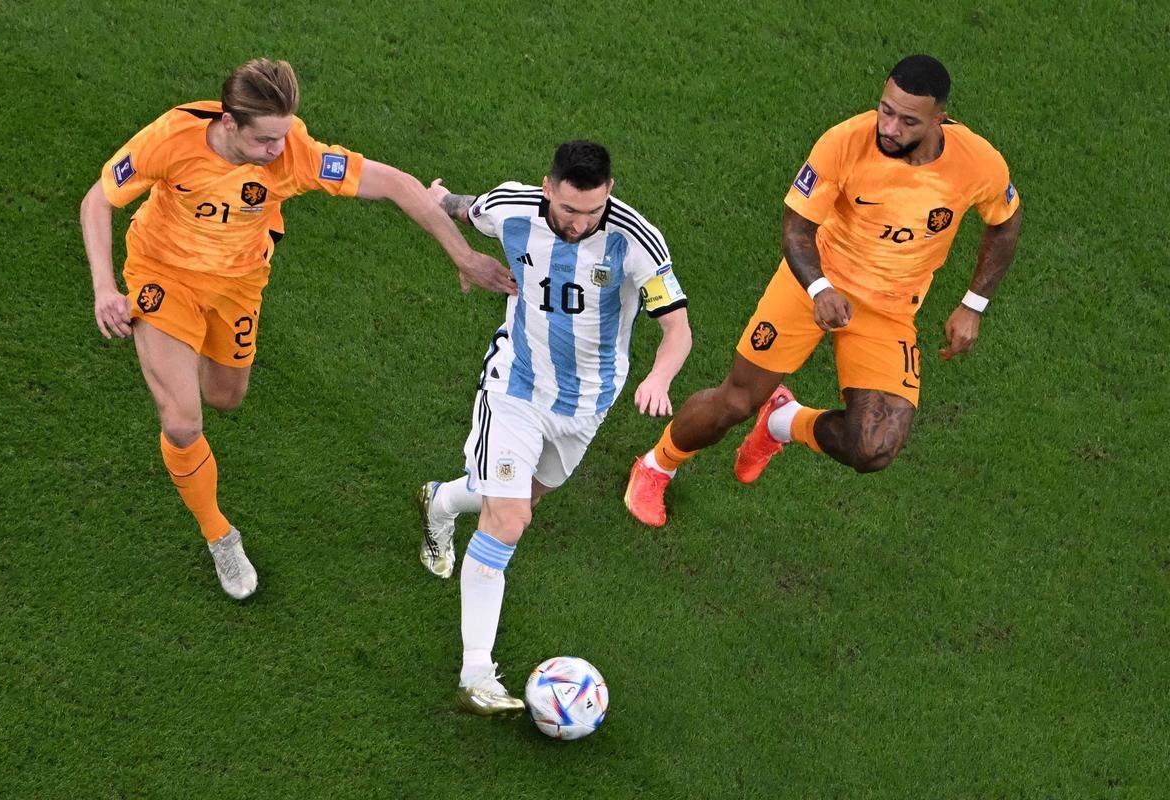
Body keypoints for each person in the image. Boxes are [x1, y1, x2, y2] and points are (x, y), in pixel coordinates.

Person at [80, 58, 515, 599]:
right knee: (184, 422)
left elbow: (399, 185)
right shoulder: (170, 139)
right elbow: (98, 200)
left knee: (225, 398)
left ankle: (179, 353)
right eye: (265, 140)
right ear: (228, 122)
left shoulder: (294, 153)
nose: (277, 151)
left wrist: (464, 256)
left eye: (284, 135)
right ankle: (220, 535)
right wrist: (104, 287)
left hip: (239, 286)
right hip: (163, 277)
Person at [624, 54, 1023, 527]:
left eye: (908, 120)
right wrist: (818, 288)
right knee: (734, 401)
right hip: (812, 283)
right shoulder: (845, 142)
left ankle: (781, 423)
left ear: (940, 119)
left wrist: (973, 304)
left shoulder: (979, 163)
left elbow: (1005, 223)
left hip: (891, 308)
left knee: (873, 448)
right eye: (885, 109)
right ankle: (657, 464)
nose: (889, 127)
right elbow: (796, 227)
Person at [417, 141, 692, 714]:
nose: (579, 223)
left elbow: (677, 330)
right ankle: (477, 675)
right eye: (569, 210)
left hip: (586, 406)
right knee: (509, 518)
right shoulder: (513, 207)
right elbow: (470, 209)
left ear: (608, 193)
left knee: (523, 501)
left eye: (592, 211)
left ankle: (440, 501)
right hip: (516, 387)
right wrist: (439, 198)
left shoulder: (634, 240)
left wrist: (660, 379)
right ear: (549, 188)